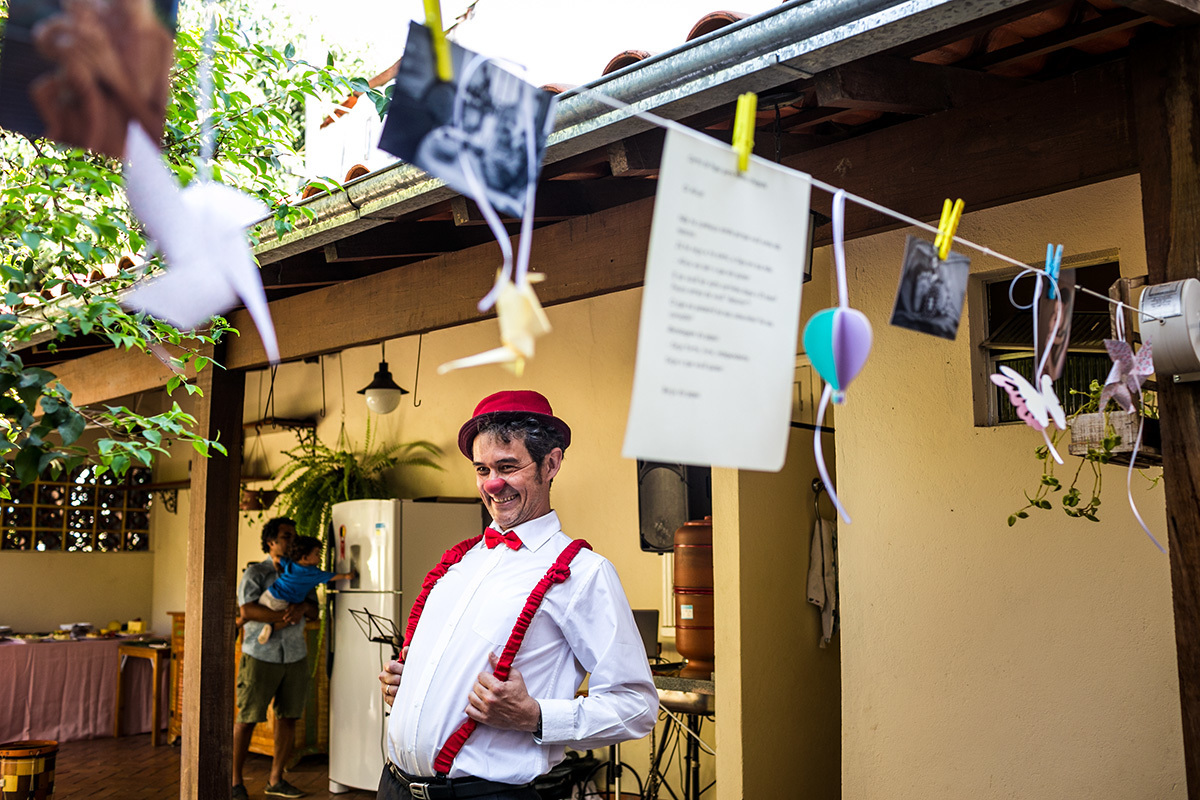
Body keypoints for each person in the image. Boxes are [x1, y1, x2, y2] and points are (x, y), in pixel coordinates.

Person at [377, 390, 658, 800]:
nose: (492, 484)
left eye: (507, 466)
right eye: (481, 469)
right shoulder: (460, 563)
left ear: (551, 463)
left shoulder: (583, 574)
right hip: (392, 788)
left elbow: (636, 706)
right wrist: (411, 685)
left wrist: (536, 716)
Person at [233, 517, 318, 800]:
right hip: (260, 655)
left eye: (294, 536)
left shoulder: (305, 571)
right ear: (270, 541)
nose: (291, 541)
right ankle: (235, 782)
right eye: (285, 536)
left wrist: (304, 606)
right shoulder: (256, 573)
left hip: (295, 655)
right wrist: (284, 616)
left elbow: (314, 611)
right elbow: (246, 612)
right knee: (247, 718)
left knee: (289, 717)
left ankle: (276, 779)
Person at [255, 535, 355, 644]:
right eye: (317, 554)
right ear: (305, 558)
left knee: (260, 613)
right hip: (281, 601)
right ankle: (271, 627)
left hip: (269, 594)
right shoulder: (313, 573)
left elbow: (276, 558)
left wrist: (275, 564)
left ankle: (241, 621)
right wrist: (346, 576)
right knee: (290, 618)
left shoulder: (290, 563)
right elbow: (332, 576)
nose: (320, 557)